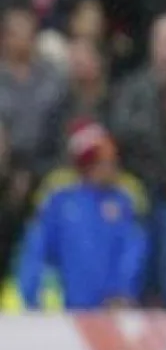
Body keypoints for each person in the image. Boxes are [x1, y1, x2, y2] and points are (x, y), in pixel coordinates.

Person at [17, 120, 147, 311]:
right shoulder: (60, 202)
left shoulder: (123, 203)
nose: (113, 166)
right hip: (64, 310)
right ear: (89, 164)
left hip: (111, 310)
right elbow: (37, 250)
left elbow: (132, 251)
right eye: (106, 161)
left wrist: (122, 291)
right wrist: (32, 293)